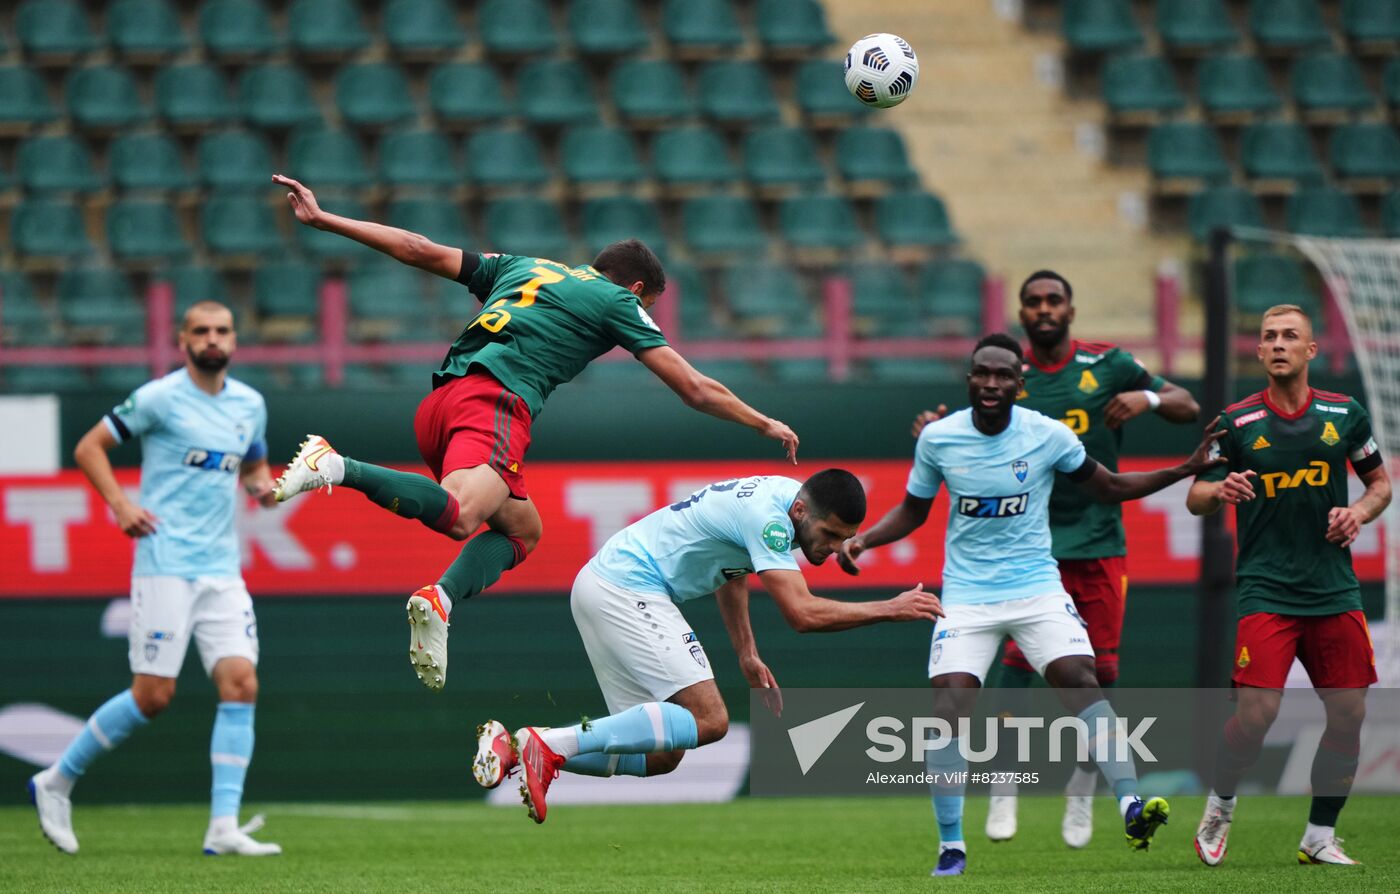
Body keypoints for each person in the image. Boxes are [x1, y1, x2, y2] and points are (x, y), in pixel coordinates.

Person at [267, 174, 799, 692]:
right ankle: (336, 465)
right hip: (496, 402)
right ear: (637, 289)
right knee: (462, 516)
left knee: (523, 530)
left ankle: (440, 600)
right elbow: (694, 389)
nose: (643, 312)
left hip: (440, 405)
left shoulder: (521, 267)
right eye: (647, 304)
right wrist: (762, 420)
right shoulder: (618, 303)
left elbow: (417, 248)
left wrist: (324, 219)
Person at [840, 333, 1224, 877]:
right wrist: (864, 540)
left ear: (1021, 384)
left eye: (1003, 375)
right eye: (982, 373)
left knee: (1082, 679)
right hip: (968, 597)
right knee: (948, 707)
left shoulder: (1048, 435)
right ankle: (952, 846)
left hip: (1036, 587)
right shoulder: (939, 439)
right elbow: (912, 510)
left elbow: (1110, 486)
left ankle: (1131, 806)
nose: (992, 383)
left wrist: (1186, 468)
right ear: (969, 379)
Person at [468, 469, 942, 824]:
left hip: (602, 585)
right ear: (802, 512)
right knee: (709, 720)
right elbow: (802, 614)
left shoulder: (783, 503)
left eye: (847, 539)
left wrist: (746, 653)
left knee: (661, 755)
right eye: (831, 535)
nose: (836, 548)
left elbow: (731, 572)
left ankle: (513, 749)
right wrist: (891, 607)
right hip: (626, 586)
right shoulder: (773, 520)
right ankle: (547, 744)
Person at [915, 269, 1200, 847]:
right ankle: (1003, 784)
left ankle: (1083, 787)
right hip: (1026, 555)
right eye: (1033, 302)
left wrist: (1145, 397)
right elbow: (958, 445)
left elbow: (1186, 404)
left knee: (1097, 679)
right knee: (1015, 674)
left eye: (1054, 301)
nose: (1044, 309)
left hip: (1096, 542)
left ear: (1070, 309)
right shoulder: (1006, 379)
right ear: (1021, 315)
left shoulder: (1107, 364)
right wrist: (934, 432)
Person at [28, 302, 282, 857]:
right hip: (165, 563)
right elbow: (88, 447)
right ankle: (56, 781)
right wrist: (120, 504)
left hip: (222, 569)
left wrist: (266, 488)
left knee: (241, 684)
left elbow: (253, 467)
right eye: (202, 331)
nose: (212, 339)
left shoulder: (250, 404)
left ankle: (223, 826)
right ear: (182, 340)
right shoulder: (159, 398)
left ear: (235, 340)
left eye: (222, 331)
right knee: (153, 696)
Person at [1188, 304, 1390, 868]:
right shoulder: (1235, 422)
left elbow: (1379, 485)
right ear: (1258, 352)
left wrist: (1360, 514)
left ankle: (1319, 835)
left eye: (1290, 336)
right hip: (1266, 588)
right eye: (1269, 336)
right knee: (1255, 716)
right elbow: (1195, 495)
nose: (1278, 344)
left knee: (1349, 714)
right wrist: (1218, 488)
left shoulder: (1344, 414)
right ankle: (1221, 804)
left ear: (1310, 350)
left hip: (1333, 589)